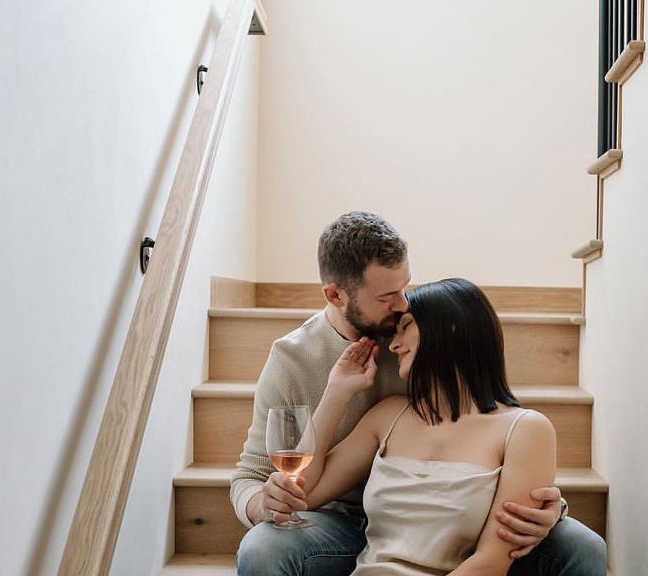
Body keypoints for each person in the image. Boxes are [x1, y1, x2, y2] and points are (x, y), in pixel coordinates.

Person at [231, 211, 606, 575]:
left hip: (455, 528)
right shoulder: (296, 362)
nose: (402, 305)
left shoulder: (437, 364)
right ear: (335, 295)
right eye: (386, 297)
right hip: (339, 524)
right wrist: (335, 394)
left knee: (580, 544)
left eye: (405, 288)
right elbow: (261, 477)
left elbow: (490, 428)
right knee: (264, 546)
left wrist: (547, 507)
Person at [301, 277, 558, 574]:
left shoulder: (525, 430)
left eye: (406, 326)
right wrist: (337, 393)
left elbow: (491, 562)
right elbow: (304, 494)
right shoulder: (388, 416)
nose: (394, 345)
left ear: (451, 328)